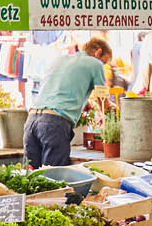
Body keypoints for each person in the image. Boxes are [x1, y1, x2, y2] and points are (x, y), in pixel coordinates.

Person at [25, 38, 112, 166]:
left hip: (31, 121)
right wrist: (112, 112)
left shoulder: (60, 60)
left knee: (29, 176)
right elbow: (103, 99)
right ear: (98, 52)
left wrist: (83, 103)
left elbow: (57, 89)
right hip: (54, 125)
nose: (102, 66)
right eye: (103, 62)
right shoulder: (94, 63)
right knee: (54, 178)